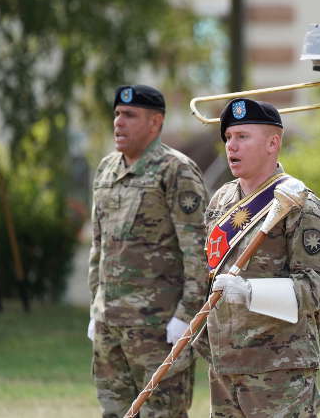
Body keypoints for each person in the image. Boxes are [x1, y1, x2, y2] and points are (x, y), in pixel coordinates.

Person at [204, 98, 320, 417]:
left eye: (242, 137)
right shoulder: (222, 200)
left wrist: (249, 293)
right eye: (228, 138)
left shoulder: (300, 206)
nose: (231, 146)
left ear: (272, 142)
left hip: (279, 371)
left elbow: (316, 287)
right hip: (225, 367)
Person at [89, 84, 208, 418]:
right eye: (116, 114)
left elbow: (199, 251)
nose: (118, 123)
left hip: (159, 329)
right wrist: (95, 305)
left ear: (155, 123)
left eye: (129, 115)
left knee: (163, 414)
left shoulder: (176, 170)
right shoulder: (107, 170)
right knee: (114, 411)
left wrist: (186, 317)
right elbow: (99, 246)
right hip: (110, 325)